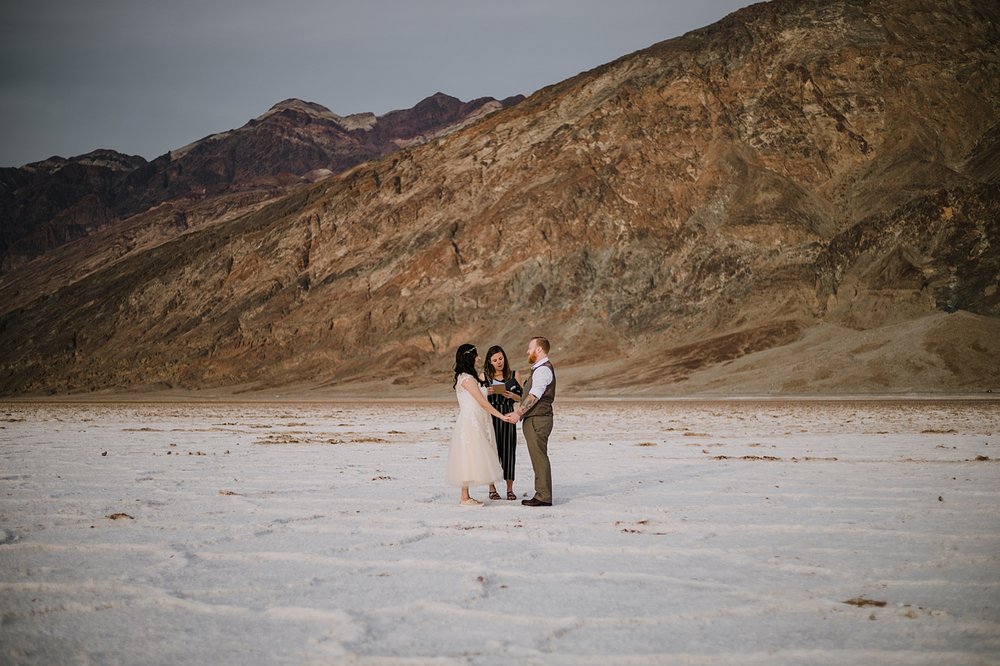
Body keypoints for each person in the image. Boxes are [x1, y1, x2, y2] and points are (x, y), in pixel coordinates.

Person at [447, 344, 506, 506]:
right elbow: (481, 402)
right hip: (471, 422)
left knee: (469, 456)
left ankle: (465, 496)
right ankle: (465, 497)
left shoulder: (467, 378)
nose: (479, 357)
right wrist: (501, 416)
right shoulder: (467, 379)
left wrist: (505, 388)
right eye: (476, 354)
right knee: (468, 456)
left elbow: (484, 391)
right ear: (470, 357)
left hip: (475, 421)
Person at [503, 337, 555, 507]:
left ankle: (543, 496)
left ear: (539, 349)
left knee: (539, 457)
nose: (527, 351)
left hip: (537, 420)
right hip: (535, 419)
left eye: (530, 347)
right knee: (538, 457)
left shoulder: (542, 370)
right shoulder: (539, 369)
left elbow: (534, 396)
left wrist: (518, 413)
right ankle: (542, 493)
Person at [484, 345, 522, 501]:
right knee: (491, 452)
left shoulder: (514, 374)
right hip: (492, 416)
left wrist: (511, 395)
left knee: (508, 452)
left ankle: (509, 489)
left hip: (508, 415)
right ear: (489, 362)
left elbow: (522, 397)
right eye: (495, 360)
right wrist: (488, 391)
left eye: (500, 358)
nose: (499, 362)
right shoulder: (484, 376)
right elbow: (478, 397)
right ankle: (491, 488)